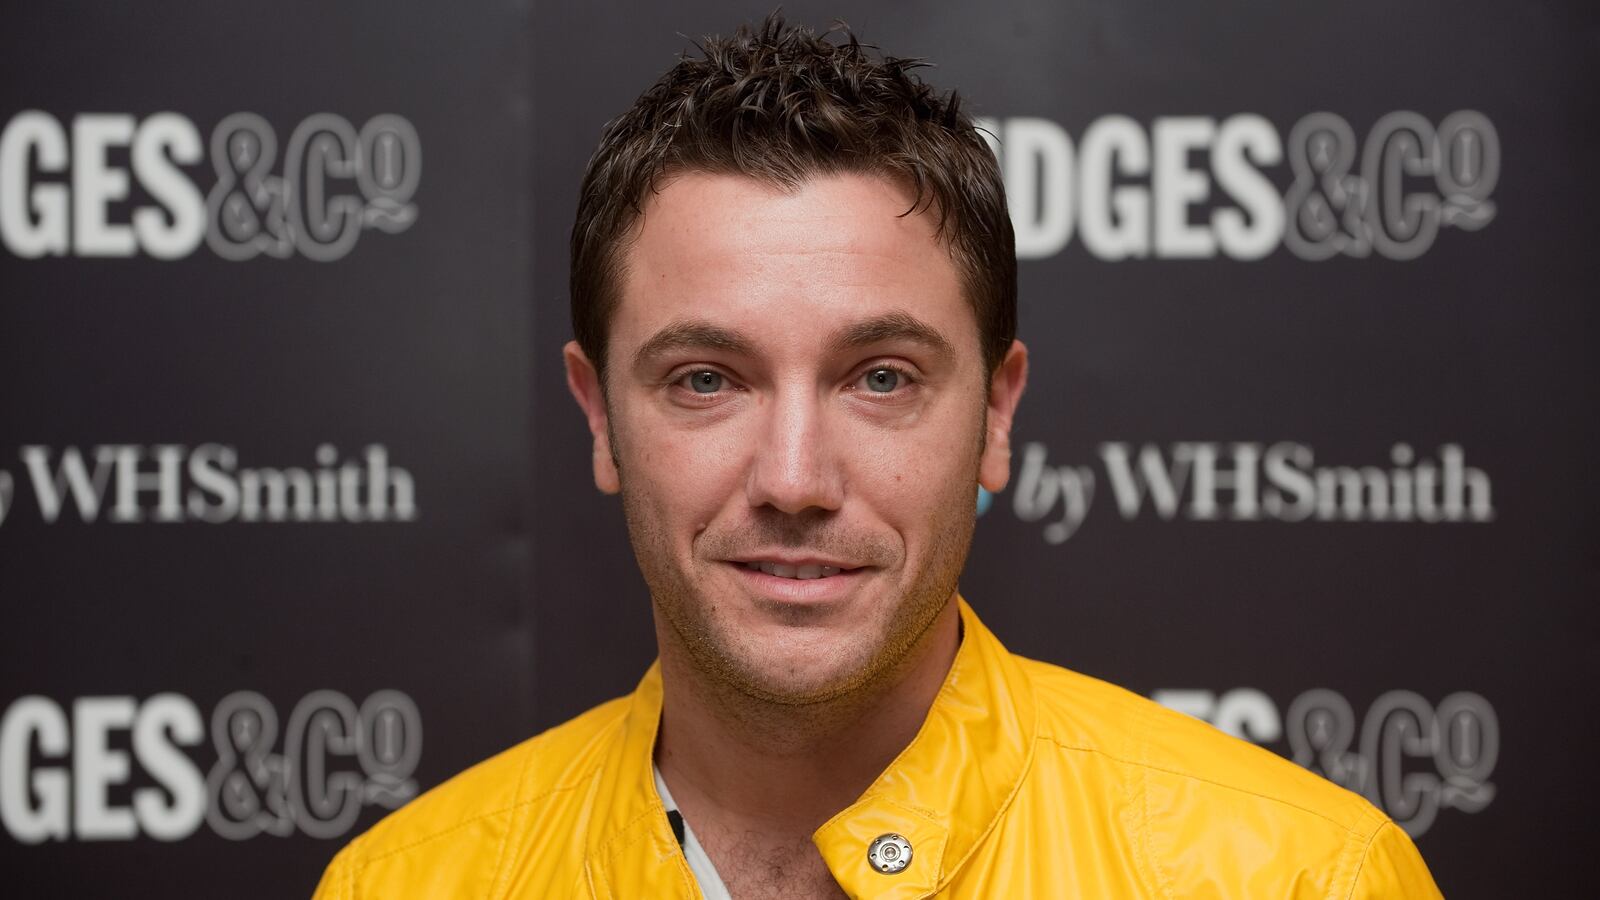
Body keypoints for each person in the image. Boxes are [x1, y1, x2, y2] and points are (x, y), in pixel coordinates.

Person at [314, 15, 1443, 899]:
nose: (795, 480)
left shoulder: (1294, 880)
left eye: (881, 378)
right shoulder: (404, 886)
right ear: (600, 416)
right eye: (705, 379)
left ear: (997, 415)